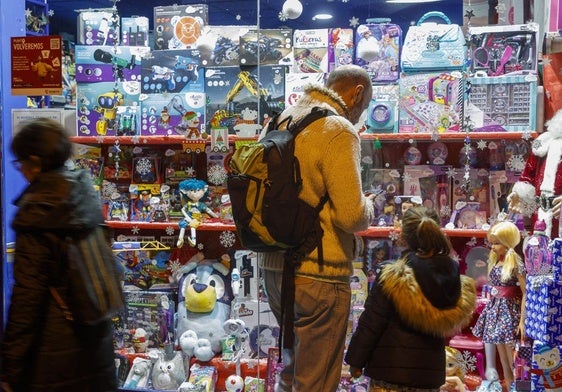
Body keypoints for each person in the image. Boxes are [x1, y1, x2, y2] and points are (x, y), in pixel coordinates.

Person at [258, 64, 376, 392]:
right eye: (363, 108)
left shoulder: (280, 120)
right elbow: (351, 216)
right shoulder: (337, 128)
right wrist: (371, 205)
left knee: (291, 372)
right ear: (357, 93)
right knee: (316, 380)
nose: (360, 115)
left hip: (275, 268)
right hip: (318, 272)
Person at [0, 118, 117, 392]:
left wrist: (10, 370)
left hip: (55, 355)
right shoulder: (85, 194)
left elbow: (26, 301)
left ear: (35, 162)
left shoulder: (39, 212)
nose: (22, 171)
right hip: (97, 345)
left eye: (21, 164)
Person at [345, 206, 477, 392]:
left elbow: (372, 322)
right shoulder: (451, 274)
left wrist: (355, 361)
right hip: (429, 377)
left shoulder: (394, 276)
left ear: (404, 236)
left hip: (389, 372)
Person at [471, 220, 526, 389]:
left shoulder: (516, 263)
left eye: (497, 243)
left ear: (507, 242)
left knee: (513, 359)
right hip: (496, 311)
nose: (493, 247)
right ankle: (508, 386)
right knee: (503, 359)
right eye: (492, 243)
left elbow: (526, 292)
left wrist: (522, 321)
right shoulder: (496, 261)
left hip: (509, 313)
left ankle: (517, 386)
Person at [508, 108, 562, 238]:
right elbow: (528, 175)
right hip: (541, 217)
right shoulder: (544, 143)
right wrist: (519, 194)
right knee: (539, 253)